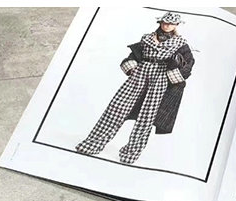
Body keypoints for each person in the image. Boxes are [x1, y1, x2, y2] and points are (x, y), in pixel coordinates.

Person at [75, 12, 195, 164]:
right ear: (160, 22)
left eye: (170, 23)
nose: (167, 25)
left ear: (176, 25)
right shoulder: (147, 38)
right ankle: (93, 143)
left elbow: (189, 63)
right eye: (164, 22)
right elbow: (134, 55)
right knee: (117, 108)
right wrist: (131, 67)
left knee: (147, 117)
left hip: (160, 78)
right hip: (139, 73)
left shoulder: (180, 43)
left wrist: (174, 72)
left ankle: (132, 152)